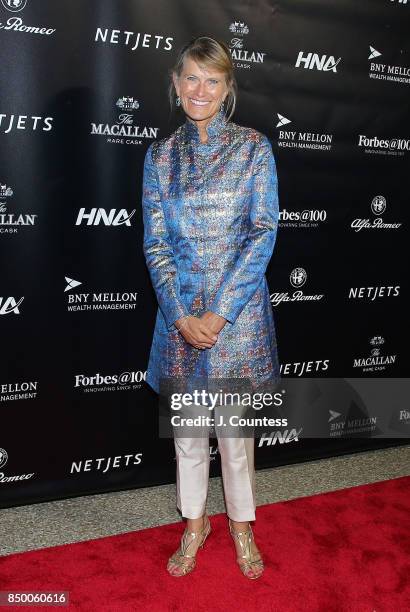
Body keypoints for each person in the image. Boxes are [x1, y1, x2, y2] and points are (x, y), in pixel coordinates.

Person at [141, 36, 280, 579]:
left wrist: (220, 312)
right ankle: (194, 523)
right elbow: (155, 244)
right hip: (178, 322)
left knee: (237, 440)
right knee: (189, 438)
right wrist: (179, 314)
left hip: (237, 322)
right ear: (176, 86)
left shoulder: (253, 147)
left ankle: (242, 526)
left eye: (212, 80)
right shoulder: (159, 156)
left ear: (227, 89)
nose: (200, 90)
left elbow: (263, 232)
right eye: (191, 78)